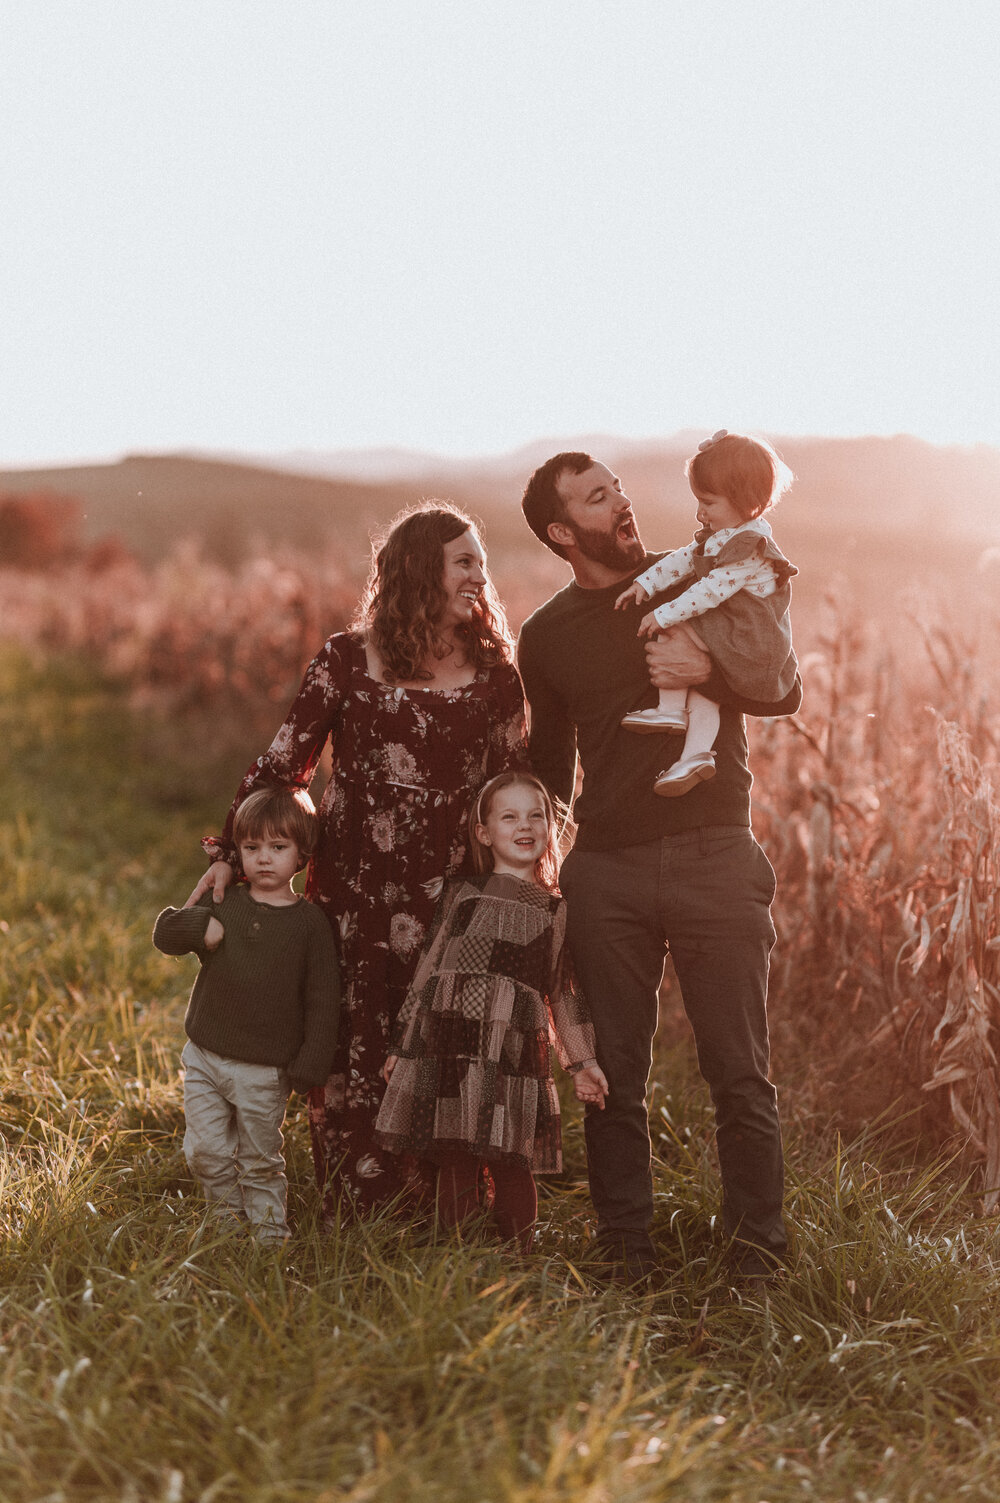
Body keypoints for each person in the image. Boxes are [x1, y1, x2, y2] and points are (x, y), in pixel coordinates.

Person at [189, 504, 527, 1219]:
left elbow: (512, 788)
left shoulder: (497, 675)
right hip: (358, 890)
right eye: (463, 559)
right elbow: (284, 766)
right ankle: (364, 1200)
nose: (479, 573)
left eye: (481, 560)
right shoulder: (347, 658)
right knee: (357, 1029)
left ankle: (449, 1202)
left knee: (444, 1034)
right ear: (417, 568)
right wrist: (228, 851)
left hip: (454, 891)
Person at [517, 443, 802, 1284]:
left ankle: (758, 1257)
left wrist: (707, 666)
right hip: (609, 870)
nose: (624, 504)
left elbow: (782, 685)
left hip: (717, 854)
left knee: (741, 1073)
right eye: (600, 499)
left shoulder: (695, 575)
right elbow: (547, 763)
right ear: (564, 531)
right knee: (614, 1078)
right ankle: (626, 1255)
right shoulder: (547, 636)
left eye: (619, 488)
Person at [375, 772, 608, 1253]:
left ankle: (520, 1258)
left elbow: (564, 994)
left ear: (550, 827)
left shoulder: (555, 910)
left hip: (513, 1054)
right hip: (451, 1047)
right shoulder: (460, 894)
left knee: (512, 1160)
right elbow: (428, 972)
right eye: (509, 816)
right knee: (455, 1155)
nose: (525, 825)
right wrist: (404, 1044)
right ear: (484, 833)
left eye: (536, 815)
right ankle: (455, 1260)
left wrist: (582, 1063)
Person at [153, 787, 341, 1243]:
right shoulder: (226, 899)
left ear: (301, 856)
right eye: (252, 848)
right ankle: (226, 1221)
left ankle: (269, 1234)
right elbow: (165, 934)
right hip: (204, 1056)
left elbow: (323, 998)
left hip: (264, 1068)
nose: (263, 859)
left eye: (278, 848)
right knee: (205, 1152)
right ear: (238, 852)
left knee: (259, 1158)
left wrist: (310, 1065)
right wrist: (203, 925)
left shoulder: (309, 924)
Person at [615, 430, 798, 796]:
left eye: (708, 502)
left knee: (677, 627)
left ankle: (669, 709)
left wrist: (663, 613)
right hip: (738, 633)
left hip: (752, 641)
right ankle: (696, 755)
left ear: (747, 502)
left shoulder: (749, 546)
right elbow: (683, 560)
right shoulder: (725, 533)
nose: (700, 512)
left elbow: (710, 591)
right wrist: (646, 585)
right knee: (704, 693)